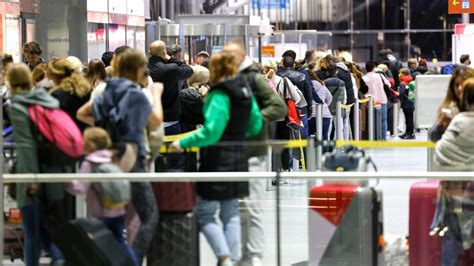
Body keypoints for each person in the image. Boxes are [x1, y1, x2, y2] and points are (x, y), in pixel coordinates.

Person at [170, 51, 263, 266]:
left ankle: (224, 257)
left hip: (216, 160)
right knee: (230, 212)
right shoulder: (245, 91)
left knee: (205, 214)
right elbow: (256, 124)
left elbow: (211, 131)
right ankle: (232, 258)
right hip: (239, 158)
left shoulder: (218, 95)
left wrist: (181, 143)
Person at [77, 49, 163, 265]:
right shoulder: (138, 93)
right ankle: (132, 260)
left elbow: (82, 113)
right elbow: (155, 121)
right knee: (148, 215)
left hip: (106, 160)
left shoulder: (107, 90)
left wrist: (106, 133)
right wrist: (157, 95)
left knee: (112, 218)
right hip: (131, 160)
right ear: (137, 68)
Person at [223, 42, 286, 266]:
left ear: (241, 56)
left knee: (252, 206)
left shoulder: (254, 78)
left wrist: (253, 118)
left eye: (230, 56)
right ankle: (244, 254)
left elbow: (279, 107)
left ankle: (255, 255)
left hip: (252, 152)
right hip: (232, 152)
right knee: (238, 207)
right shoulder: (228, 78)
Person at [8, 63, 64, 266]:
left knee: (32, 230)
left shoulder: (17, 105)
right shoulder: (46, 100)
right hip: (54, 171)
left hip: (32, 174)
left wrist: (31, 178)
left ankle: (56, 259)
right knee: (42, 228)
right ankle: (59, 258)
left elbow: (25, 144)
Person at [66, 127, 138, 265]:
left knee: (96, 244)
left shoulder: (90, 163)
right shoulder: (112, 158)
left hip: (100, 212)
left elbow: (80, 188)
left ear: (90, 144)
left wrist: (65, 183)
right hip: (118, 208)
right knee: (119, 241)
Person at [432, 78, 474, 266]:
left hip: (455, 190)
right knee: (452, 240)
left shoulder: (458, 121)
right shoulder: (451, 115)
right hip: (456, 192)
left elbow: (440, 153)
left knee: (452, 241)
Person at [148, 40, 193, 170]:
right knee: (174, 161)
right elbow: (188, 70)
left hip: (149, 122)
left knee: (154, 161)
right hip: (170, 120)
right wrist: (171, 58)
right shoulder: (170, 69)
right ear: (164, 52)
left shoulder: (142, 69)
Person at [47, 58, 91, 132]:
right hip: (85, 133)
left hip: (66, 134)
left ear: (55, 76)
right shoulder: (86, 89)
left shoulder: (56, 95)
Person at [430, 66, 474, 142]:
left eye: (464, 84)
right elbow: (434, 137)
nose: (460, 88)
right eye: (457, 85)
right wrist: (441, 126)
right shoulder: (448, 108)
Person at [363, 61, 391, 140]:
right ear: (374, 67)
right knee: (383, 120)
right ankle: (383, 138)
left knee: (372, 120)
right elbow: (388, 84)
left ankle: (373, 137)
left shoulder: (364, 78)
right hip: (382, 99)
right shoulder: (380, 76)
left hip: (371, 101)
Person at [308, 62, 333, 140]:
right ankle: (325, 152)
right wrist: (324, 106)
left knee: (309, 137)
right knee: (324, 137)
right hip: (325, 114)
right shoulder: (322, 85)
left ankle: (311, 152)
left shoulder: (306, 86)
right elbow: (330, 98)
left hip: (311, 115)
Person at [324, 64, 347, 140]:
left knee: (328, 129)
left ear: (327, 72)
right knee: (339, 129)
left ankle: (326, 146)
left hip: (328, 108)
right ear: (336, 71)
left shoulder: (324, 82)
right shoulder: (341, 82)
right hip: (339, 108)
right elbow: (344, 97)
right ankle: (339, 146)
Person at [398, 68, 416, 139]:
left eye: (400, 73)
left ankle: (410, 134)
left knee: (408, 119)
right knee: (409, 118)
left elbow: (402, 93)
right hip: (411, 102)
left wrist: (398, 96)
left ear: (403, 74)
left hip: (406, 103)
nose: (399, 75)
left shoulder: (403, 82)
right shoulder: (410, 80)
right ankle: (408, 132)